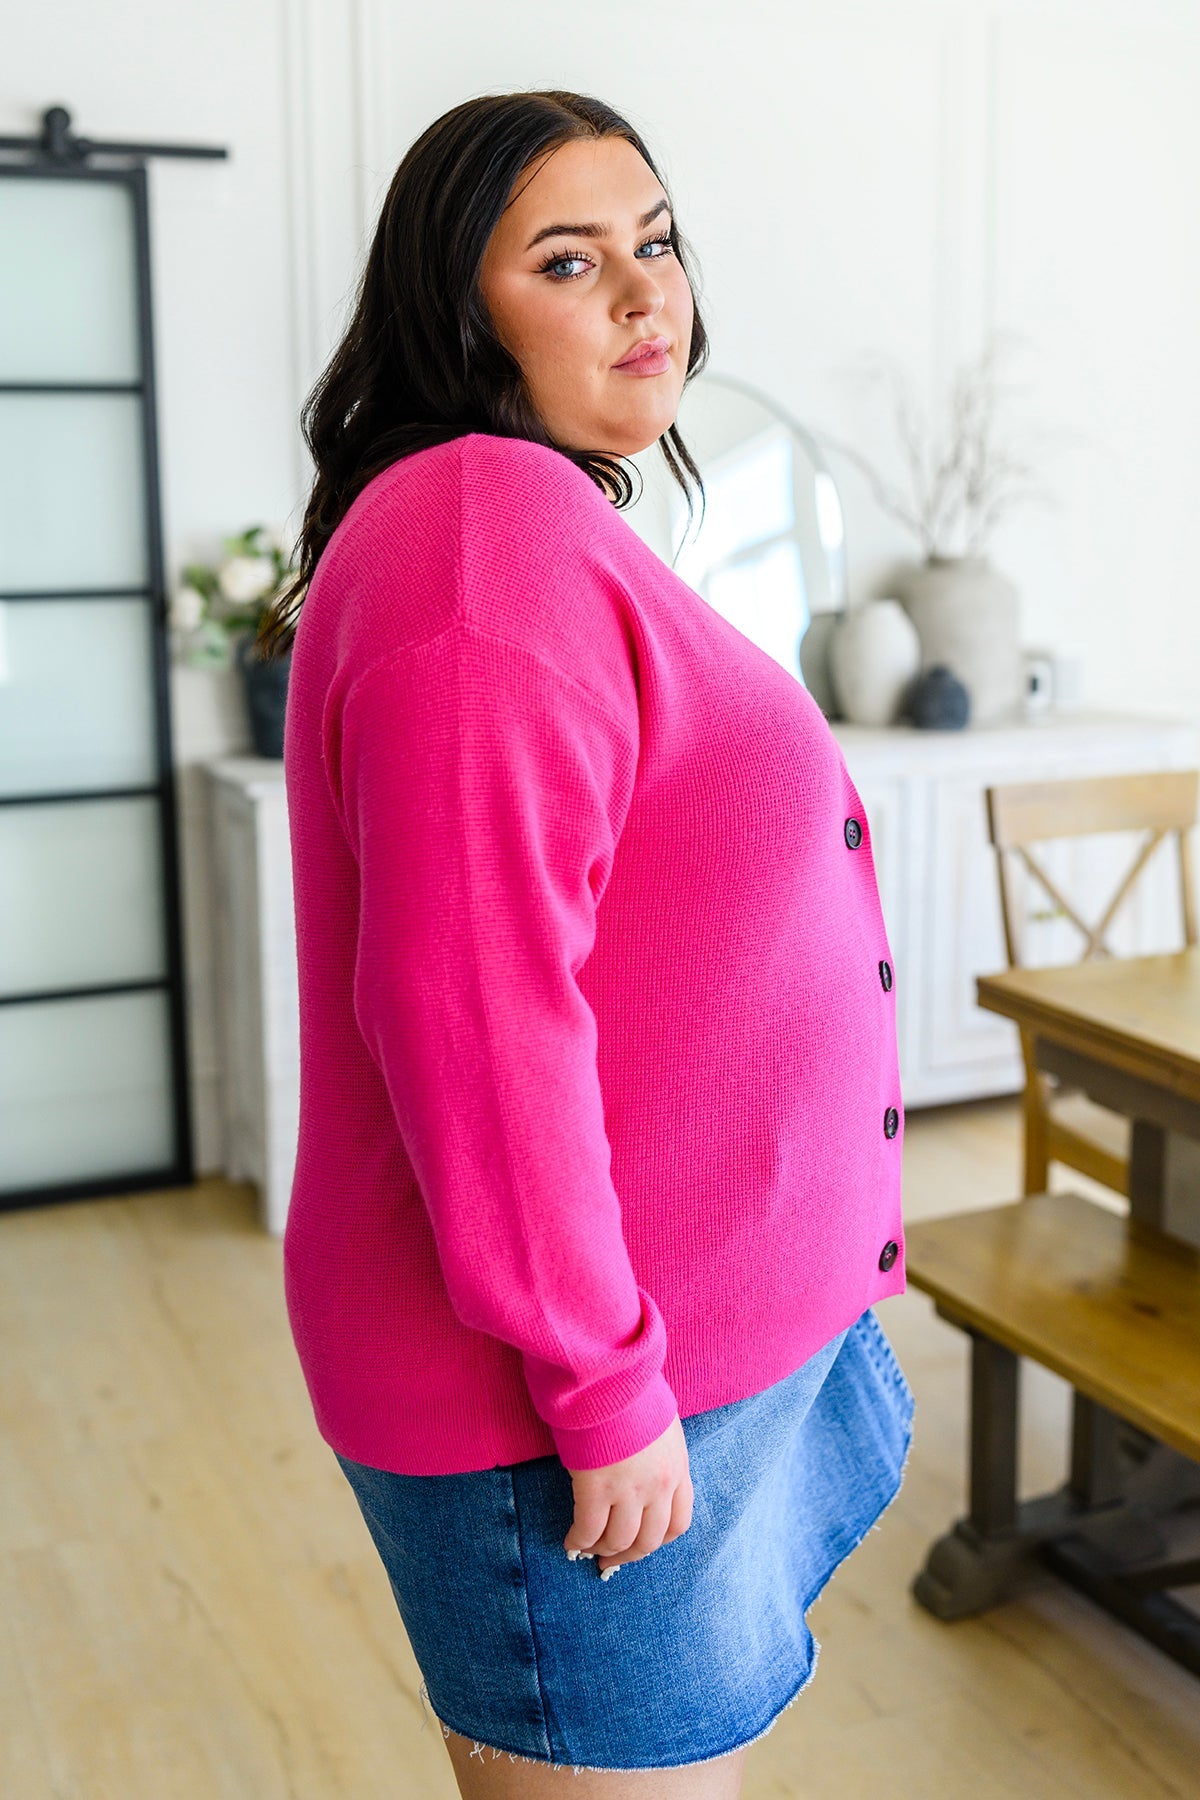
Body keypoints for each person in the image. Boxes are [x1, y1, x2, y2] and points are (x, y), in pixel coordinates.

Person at [260, 90, 915, 1798]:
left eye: (659, 242)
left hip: (680, 1350)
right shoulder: (479, 541)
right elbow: (471, 1017)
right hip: (570, 1413)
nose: (647, 296)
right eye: (570, 261)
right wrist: (604, 1387)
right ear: (459, 312)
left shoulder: (533, 526)